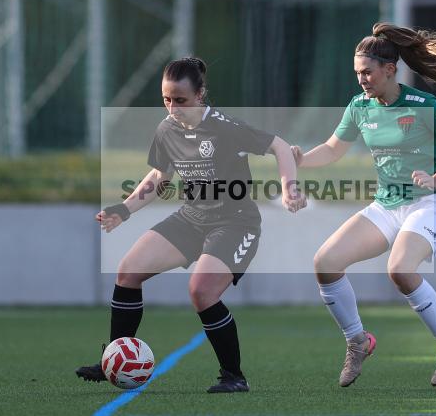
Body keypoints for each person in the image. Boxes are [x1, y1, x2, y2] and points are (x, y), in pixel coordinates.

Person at [77, 57, 305, 393]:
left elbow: (279, 146)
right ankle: (115, 357)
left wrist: (290, 187)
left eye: (180, 100)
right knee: (128, 271)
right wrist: (124, 210)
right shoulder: (166, 129)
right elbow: (158, 177)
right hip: (191, 218)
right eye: (167, 100)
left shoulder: (225, 127)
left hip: (235, 223)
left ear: (201, 95)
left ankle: (233, 377)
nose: (173, 108)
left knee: (201, 291)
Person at [292, 22, 436, 387]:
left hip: (427, 205)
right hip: (386, 206)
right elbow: (332, 149)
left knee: (400, 270)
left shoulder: (424, 104)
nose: (361, 79)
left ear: (390, 70)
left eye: (367, 72)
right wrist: (299, 159)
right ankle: (357, 341)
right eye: (358, 73)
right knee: (325, 263)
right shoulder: (360, 106)